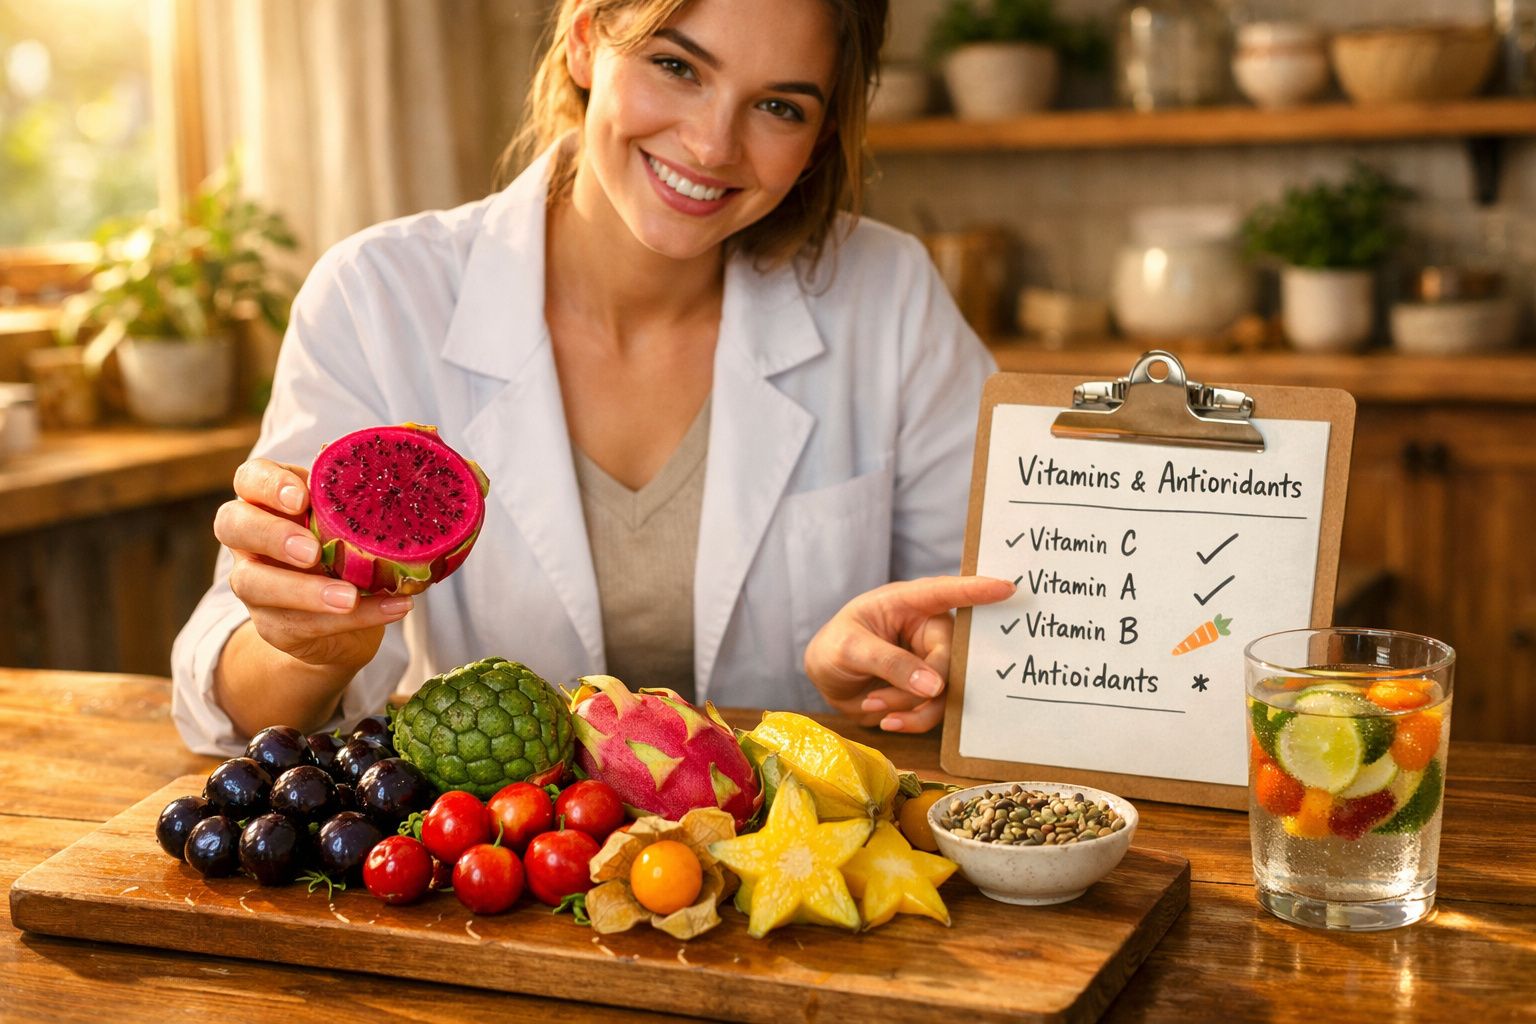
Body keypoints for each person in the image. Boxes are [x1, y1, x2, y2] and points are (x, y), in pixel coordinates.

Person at [171, 0, 1015, 756]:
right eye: (676, 65)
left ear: (820, 138)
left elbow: (984, 613)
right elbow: (229, 705)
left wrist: (902, 671)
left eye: (778, 106)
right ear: (584, 42)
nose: (713, 144)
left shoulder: (890, 294)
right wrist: (304, 645)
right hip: (492, 881)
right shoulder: (377, 296)